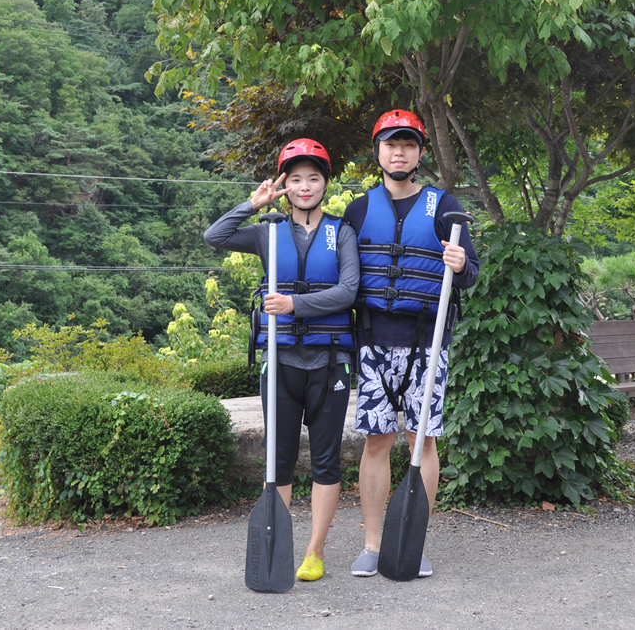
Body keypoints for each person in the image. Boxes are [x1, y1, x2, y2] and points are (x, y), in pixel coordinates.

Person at [203, 138, 360, 583]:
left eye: (314, 178)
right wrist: (253, 205)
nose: (305, 187)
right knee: (279, 459)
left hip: (330, 360)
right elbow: (214, 237)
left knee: (326, 460)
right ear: (285, 186)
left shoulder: (341, 232)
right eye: (295, 180)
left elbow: (348, 291)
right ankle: (279, 544)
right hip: (281, 359)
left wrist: (294, 304)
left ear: (326, 184)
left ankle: (315, 551)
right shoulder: (267, 231)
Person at [345, 110, 479, 578]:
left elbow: (470, 275)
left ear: (420, 153)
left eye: (407, 145)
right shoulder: (359, 210)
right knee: (376, 442)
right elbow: (344, 279)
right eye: (390, 144)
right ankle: (373, 544)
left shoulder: (445, 207)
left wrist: (459, 264)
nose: (398, 152)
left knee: (422, 443)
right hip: (373, 343)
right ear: (378, 152)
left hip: (427, 343)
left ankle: (413, 540)